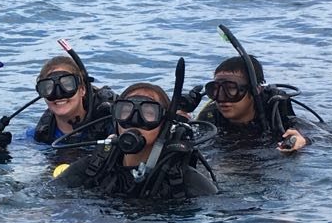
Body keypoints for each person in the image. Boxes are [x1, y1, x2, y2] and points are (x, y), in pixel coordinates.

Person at [53, 82, 217, 199]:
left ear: (165, 124)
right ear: (115, 119)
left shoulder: (183, 179)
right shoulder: (95, 166)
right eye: (125, 111)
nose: (134, 120)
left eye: (149, 113)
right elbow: (49, 196)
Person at [0, 55, 115, 151]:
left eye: (67, 85)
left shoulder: (109, 125)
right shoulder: (39, 134)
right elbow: (14, 144)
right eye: (48, 88)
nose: (58, 94)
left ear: (82, 90)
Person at [196, 55, 309, 152]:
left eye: (231, 89)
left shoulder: (274, 112)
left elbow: (312, 134)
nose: (221, 98)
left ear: (256, 90)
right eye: (216, 89)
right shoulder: (210, 116)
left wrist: (303, 140)